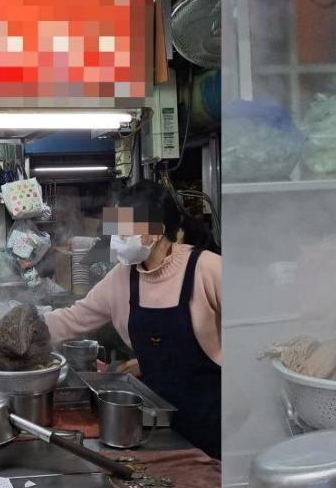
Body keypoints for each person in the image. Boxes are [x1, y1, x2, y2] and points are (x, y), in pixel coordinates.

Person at [43, 180, 222, 458]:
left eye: (127, 229)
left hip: (215, 421)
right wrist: (24, 328)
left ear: (158, 230)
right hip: (159, 425)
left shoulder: (208, 269)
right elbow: (74, 318)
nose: (118, 238)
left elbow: (250, 333)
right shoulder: (122, 277)